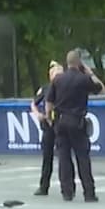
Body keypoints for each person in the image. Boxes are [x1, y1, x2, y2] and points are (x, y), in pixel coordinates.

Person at [44, 50, 105, 202]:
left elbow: (49, 102)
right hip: (77, 121)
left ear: (67, 63)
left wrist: (50, 119)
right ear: (79, 63)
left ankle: (67, 192)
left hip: (60, 122)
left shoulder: (58, 80)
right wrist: (91, 74)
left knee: (64, 157)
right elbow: (101, 90)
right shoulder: (83, 79)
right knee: (82, 158)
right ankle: (89, 193)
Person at [31, 61, 63, 196]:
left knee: (64, 157)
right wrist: (38, 114)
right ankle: (44, 186)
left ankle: (66, 186)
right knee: (47, 157)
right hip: (48, 126)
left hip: (61, 124)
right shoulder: (45, 88)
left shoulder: (65, 88)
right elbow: (33, 103)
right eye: (55, 75)